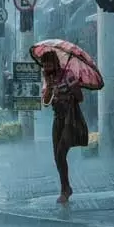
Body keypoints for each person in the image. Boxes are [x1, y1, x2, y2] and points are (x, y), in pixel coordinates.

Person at [40, 51, 89, 204]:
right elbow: (46, 102)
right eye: (44, 64)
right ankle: (66, 187)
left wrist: (72, 88)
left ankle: (65, 190)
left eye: (49, 64)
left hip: (70, 118)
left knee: (61, 153)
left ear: (55, 63)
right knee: (57, 156)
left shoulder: (68, 74)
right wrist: (49, 86)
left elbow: (80, 98)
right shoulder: (48, 78)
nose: (47, 67)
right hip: (58, 119)